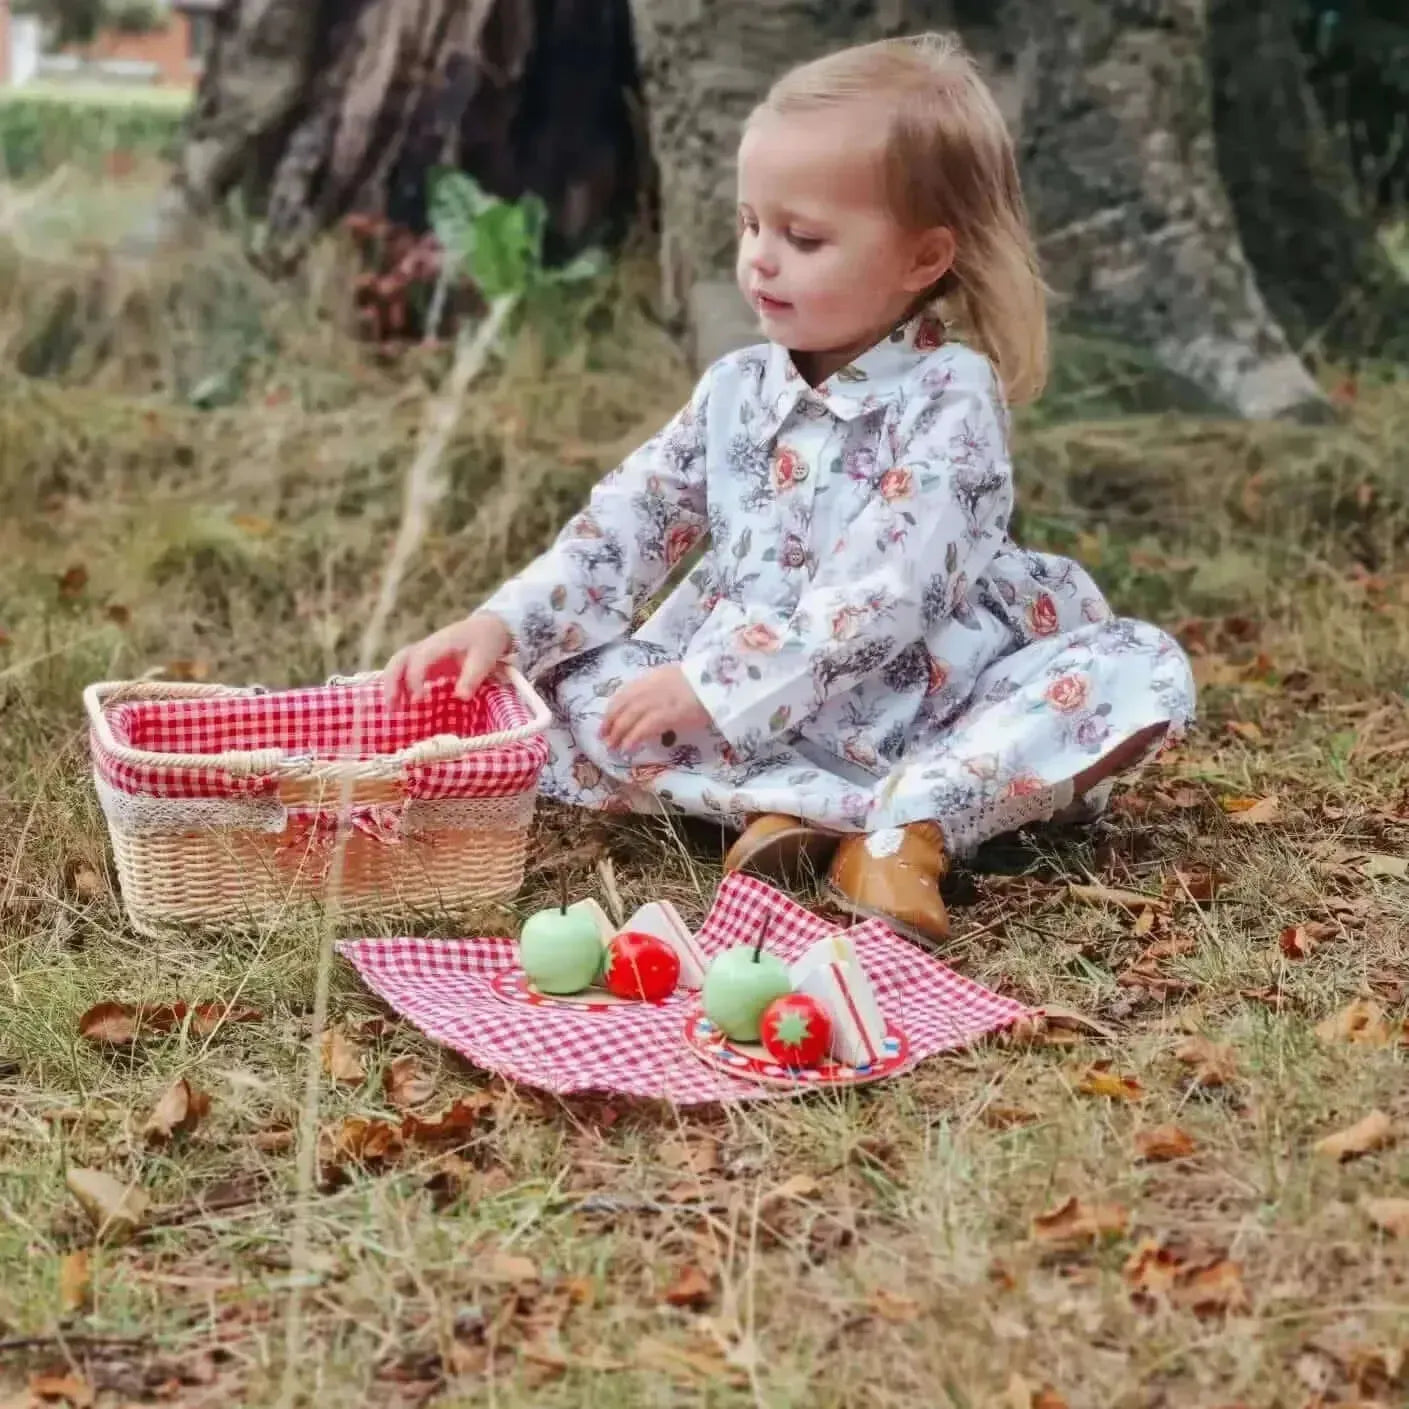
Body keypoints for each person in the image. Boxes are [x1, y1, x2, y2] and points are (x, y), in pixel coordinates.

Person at [383, 33, 1196, 944]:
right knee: (569, 681)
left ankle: (905, 830)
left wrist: (716, 685)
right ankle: (799, 810)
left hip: (925, 692)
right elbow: (626, 522)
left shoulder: (948, 395)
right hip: (747, 703)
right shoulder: (736, 387)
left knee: (1134, 666)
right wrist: (506, 624)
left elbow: (887, 592)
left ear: (923, 260)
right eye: (749, 224)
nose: (760, 259)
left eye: (802, 238)